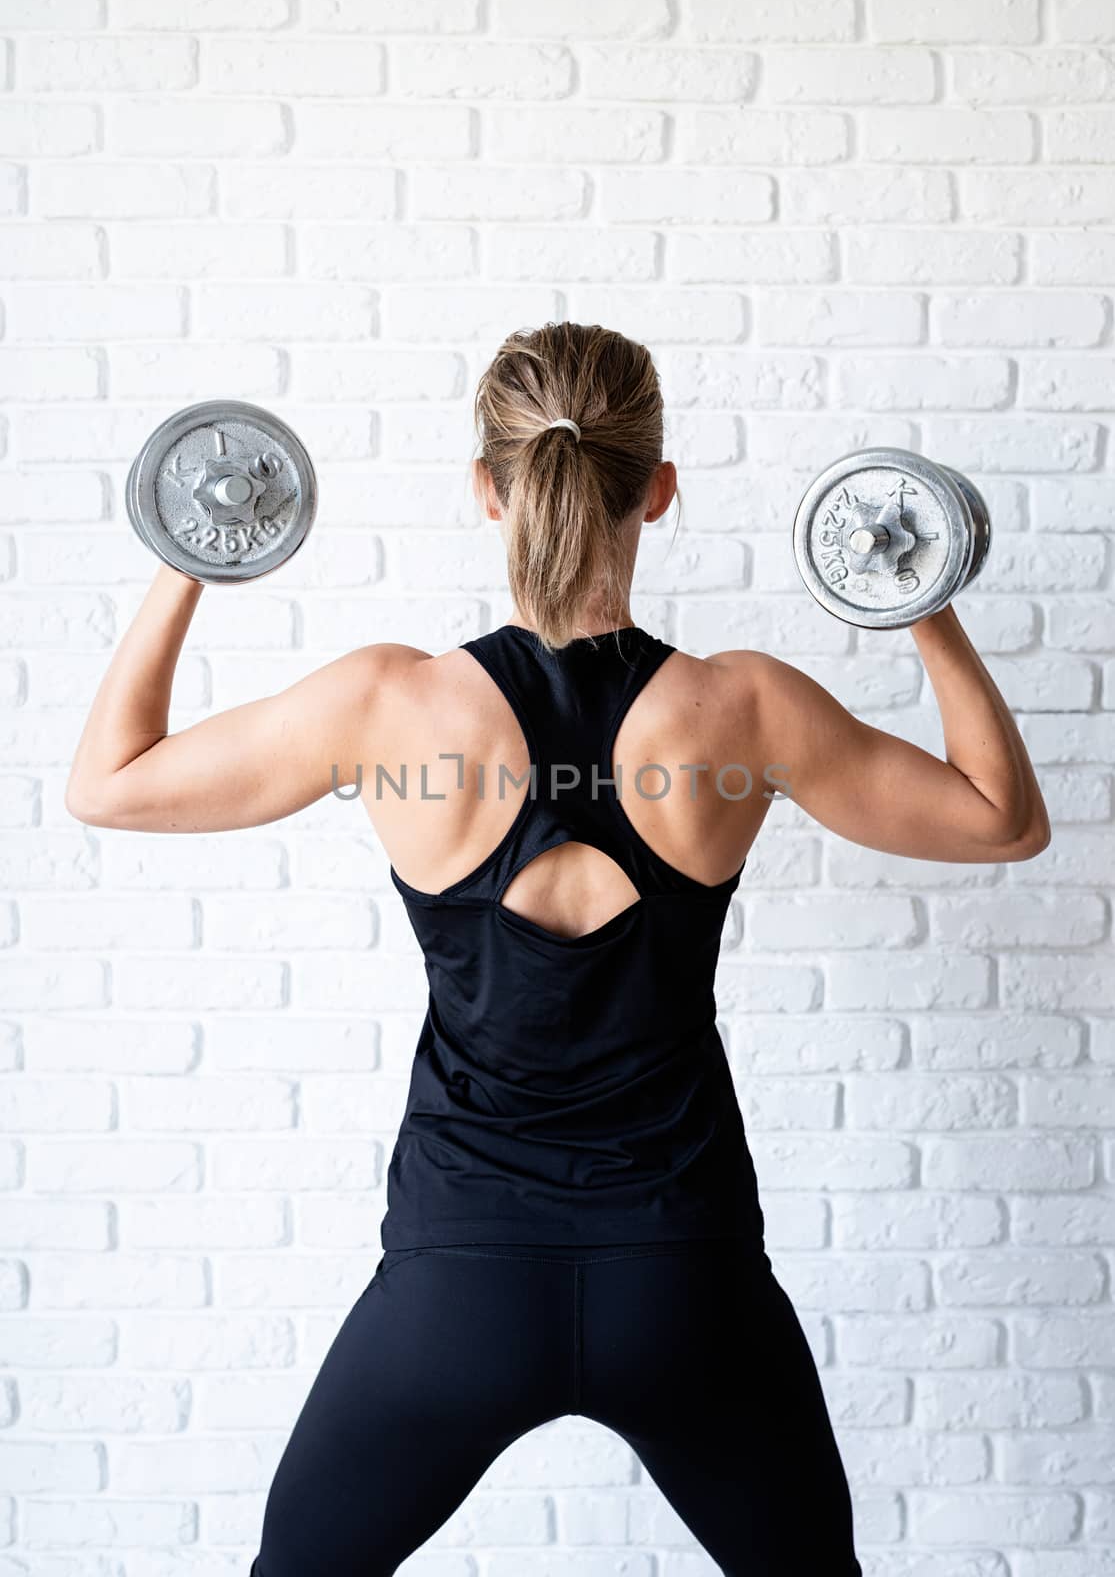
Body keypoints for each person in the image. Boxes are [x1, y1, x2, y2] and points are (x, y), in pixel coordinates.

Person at [66, 321, 1050, 1576]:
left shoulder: (385, 706)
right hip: (683, 1281)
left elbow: (110, 782)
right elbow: (1001, 819)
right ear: (659, 488)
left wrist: (184, 558)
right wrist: (924, 601)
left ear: (488, 487)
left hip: (451, 1293)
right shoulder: (740, 708)